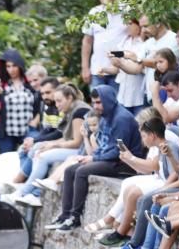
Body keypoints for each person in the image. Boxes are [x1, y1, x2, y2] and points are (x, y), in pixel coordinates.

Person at [48, 85, 144, 230]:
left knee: (81, 171)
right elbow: (104, 145)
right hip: (109, 158)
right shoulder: (105, 115)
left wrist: (94, 159)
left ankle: (75, 217)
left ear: (109, 100)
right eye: (94, 102)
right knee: (70, 170)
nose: (95, 106)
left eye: (99, 102)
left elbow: (117, 150)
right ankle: (65, 215)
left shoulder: (121, 118)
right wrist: (92, 156)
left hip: (125, 163)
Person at [92, 115, 179, 245]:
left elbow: (175, 173)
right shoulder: (160, 147)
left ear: (152, 135)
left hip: (168, 183)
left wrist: (164, 189)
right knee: (129, 187)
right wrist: (128, 159)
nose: (142, 140)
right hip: (163, 180)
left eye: (144, 136)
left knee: (136, 194)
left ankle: (124, 233)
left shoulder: (168, 146)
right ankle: (121, 229)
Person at [13, 84, 90, 202]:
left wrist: (53, 145)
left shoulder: (79, 111)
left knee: (42, 157)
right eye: (56, 101)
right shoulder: (71, 109)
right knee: (39, 149)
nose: (57, 105)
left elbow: (77, 143)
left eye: (59, 101)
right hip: (77, 148)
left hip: (83, 151)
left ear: (69, 98)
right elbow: (66, 137)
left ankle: (26, 193)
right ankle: (32, 193)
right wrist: (48, 143)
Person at [81, 0, 127, 88]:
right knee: (97, 103)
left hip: (121, 69)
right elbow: (87, 41)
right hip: (98, 70)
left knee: (117, 104)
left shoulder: (127, 11)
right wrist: (85, 67)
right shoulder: (94, 12)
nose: (103, 0)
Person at [0, 49, 38, 154]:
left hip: (27, 130)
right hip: (6, 132)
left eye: (14, 66)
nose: (11, 70)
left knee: (28, 160)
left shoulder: (30, 84)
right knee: (7, 162)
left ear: (20, 66)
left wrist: (36, 120)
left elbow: (40, 106)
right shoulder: (2, 86)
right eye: (8, 66)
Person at [105, 20, 148, 115]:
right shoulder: (124, 43)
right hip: (123, 94)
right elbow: (117, 70)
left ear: (139, 25)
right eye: (126, 23)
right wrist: (104, 70)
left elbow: (140, 68)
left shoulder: (144, 44)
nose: (127, 26)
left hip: (139, 94)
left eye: (130, 24)